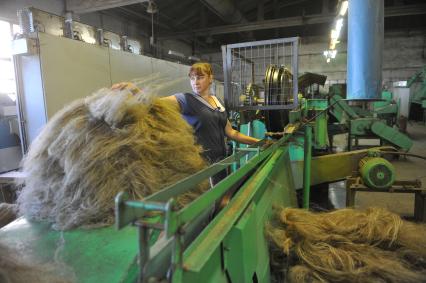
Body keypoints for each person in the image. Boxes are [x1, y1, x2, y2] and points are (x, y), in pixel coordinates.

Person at [113, 62, 260, 185]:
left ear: (210, 78)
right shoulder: (185, 100)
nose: (196, 82)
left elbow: (231, 132)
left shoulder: (217, 102)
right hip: (201, 167)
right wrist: (135, 90)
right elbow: (155, 103)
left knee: (222, 200)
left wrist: (258, 142)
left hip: (221, 163)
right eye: (193, 78)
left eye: (200, 77)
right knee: (206, 208)